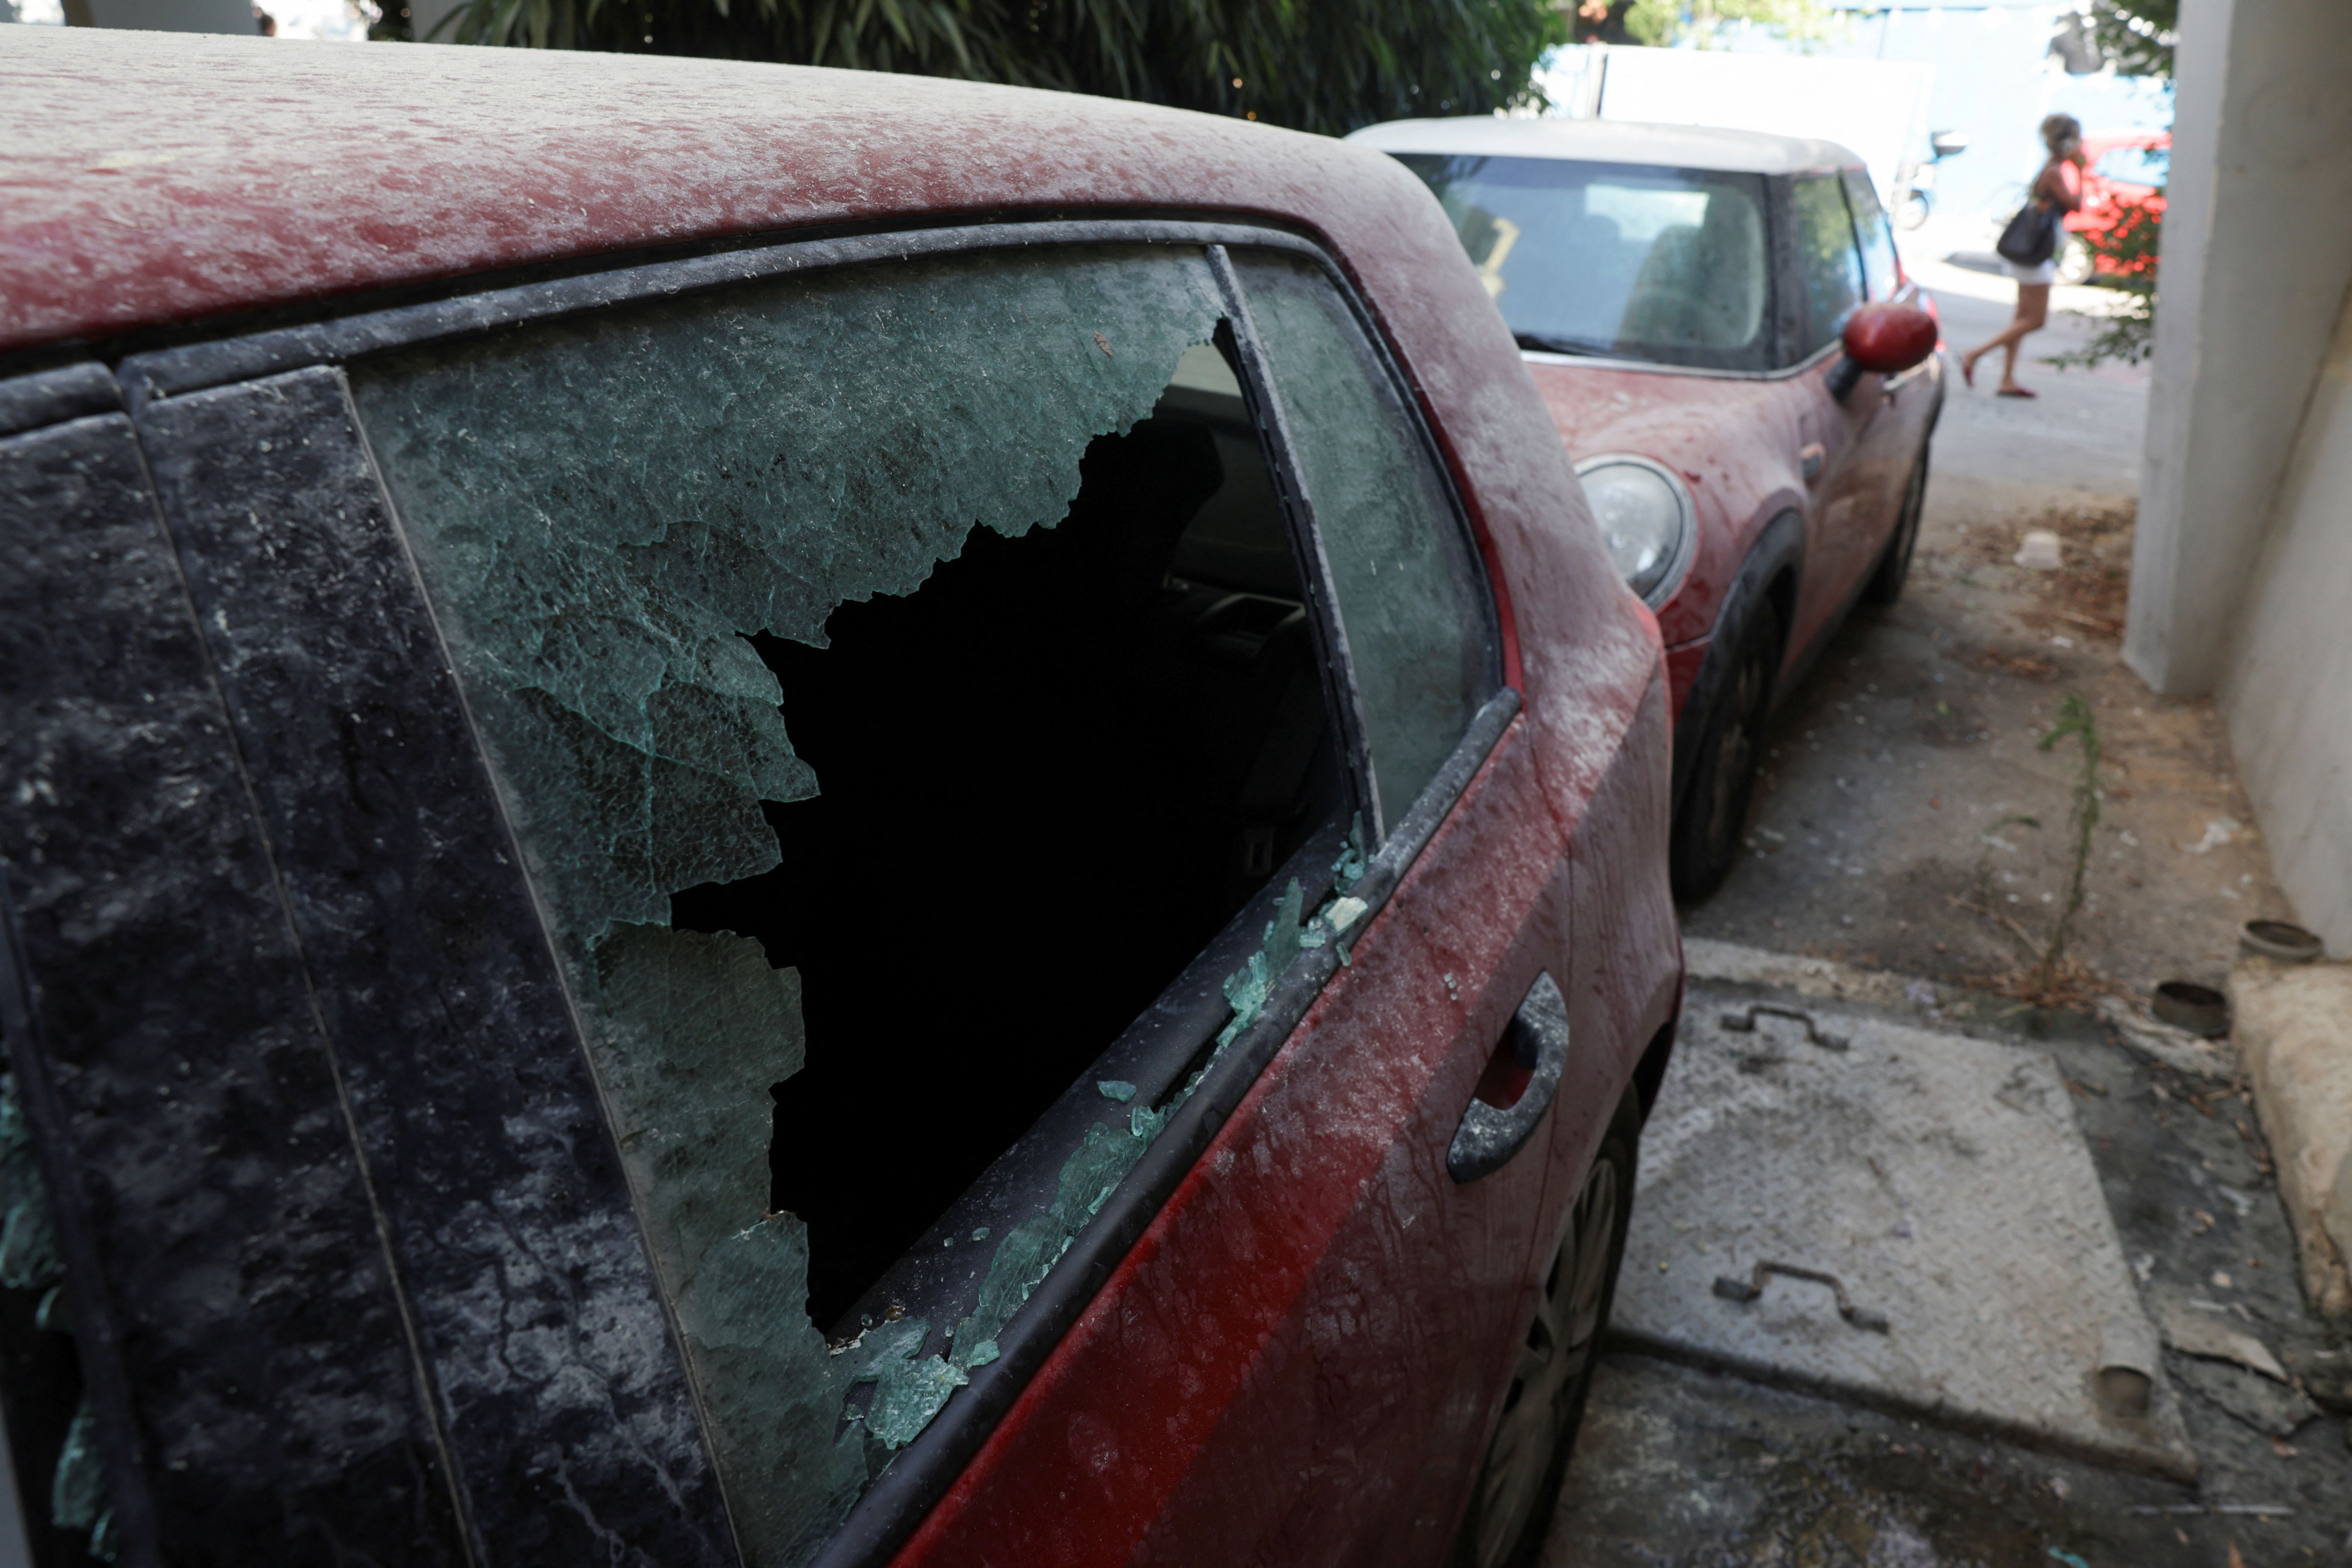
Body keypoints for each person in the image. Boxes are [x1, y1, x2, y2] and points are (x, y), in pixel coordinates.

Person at [1961, 114, 2085, 398]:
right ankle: (1975, 354)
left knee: (2021, 318)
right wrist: (2082, 172)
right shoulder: (2055, 172)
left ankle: (2007, 378)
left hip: (2032, 252)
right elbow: (2076, 204)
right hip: (2037, 256)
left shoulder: (2050, 168)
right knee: (2035, 319)